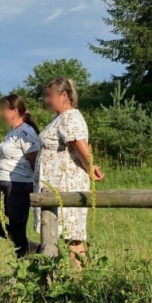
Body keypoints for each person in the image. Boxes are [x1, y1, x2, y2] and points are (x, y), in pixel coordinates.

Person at [34, 77, 104, 266]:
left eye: (49, 96)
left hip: (66, 185)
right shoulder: (59, 118)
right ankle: (58, 279)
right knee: (56, 234)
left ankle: (82, 281)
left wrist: (90, 169)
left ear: (64, 95)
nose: (46, 100)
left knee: (72, 236)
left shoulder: (70, 117)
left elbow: (79, 145)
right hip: (53, 188)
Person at [0, 94, 41, 258]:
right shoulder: (13, 132)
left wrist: (36, 186)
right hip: (6, 186)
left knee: (16, 229)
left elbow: (34, 161)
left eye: (3, 109)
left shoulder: (25, 132)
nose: (1, 113)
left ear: (15, 111)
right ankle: (31, 247)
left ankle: (25, 265)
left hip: (18, 186)